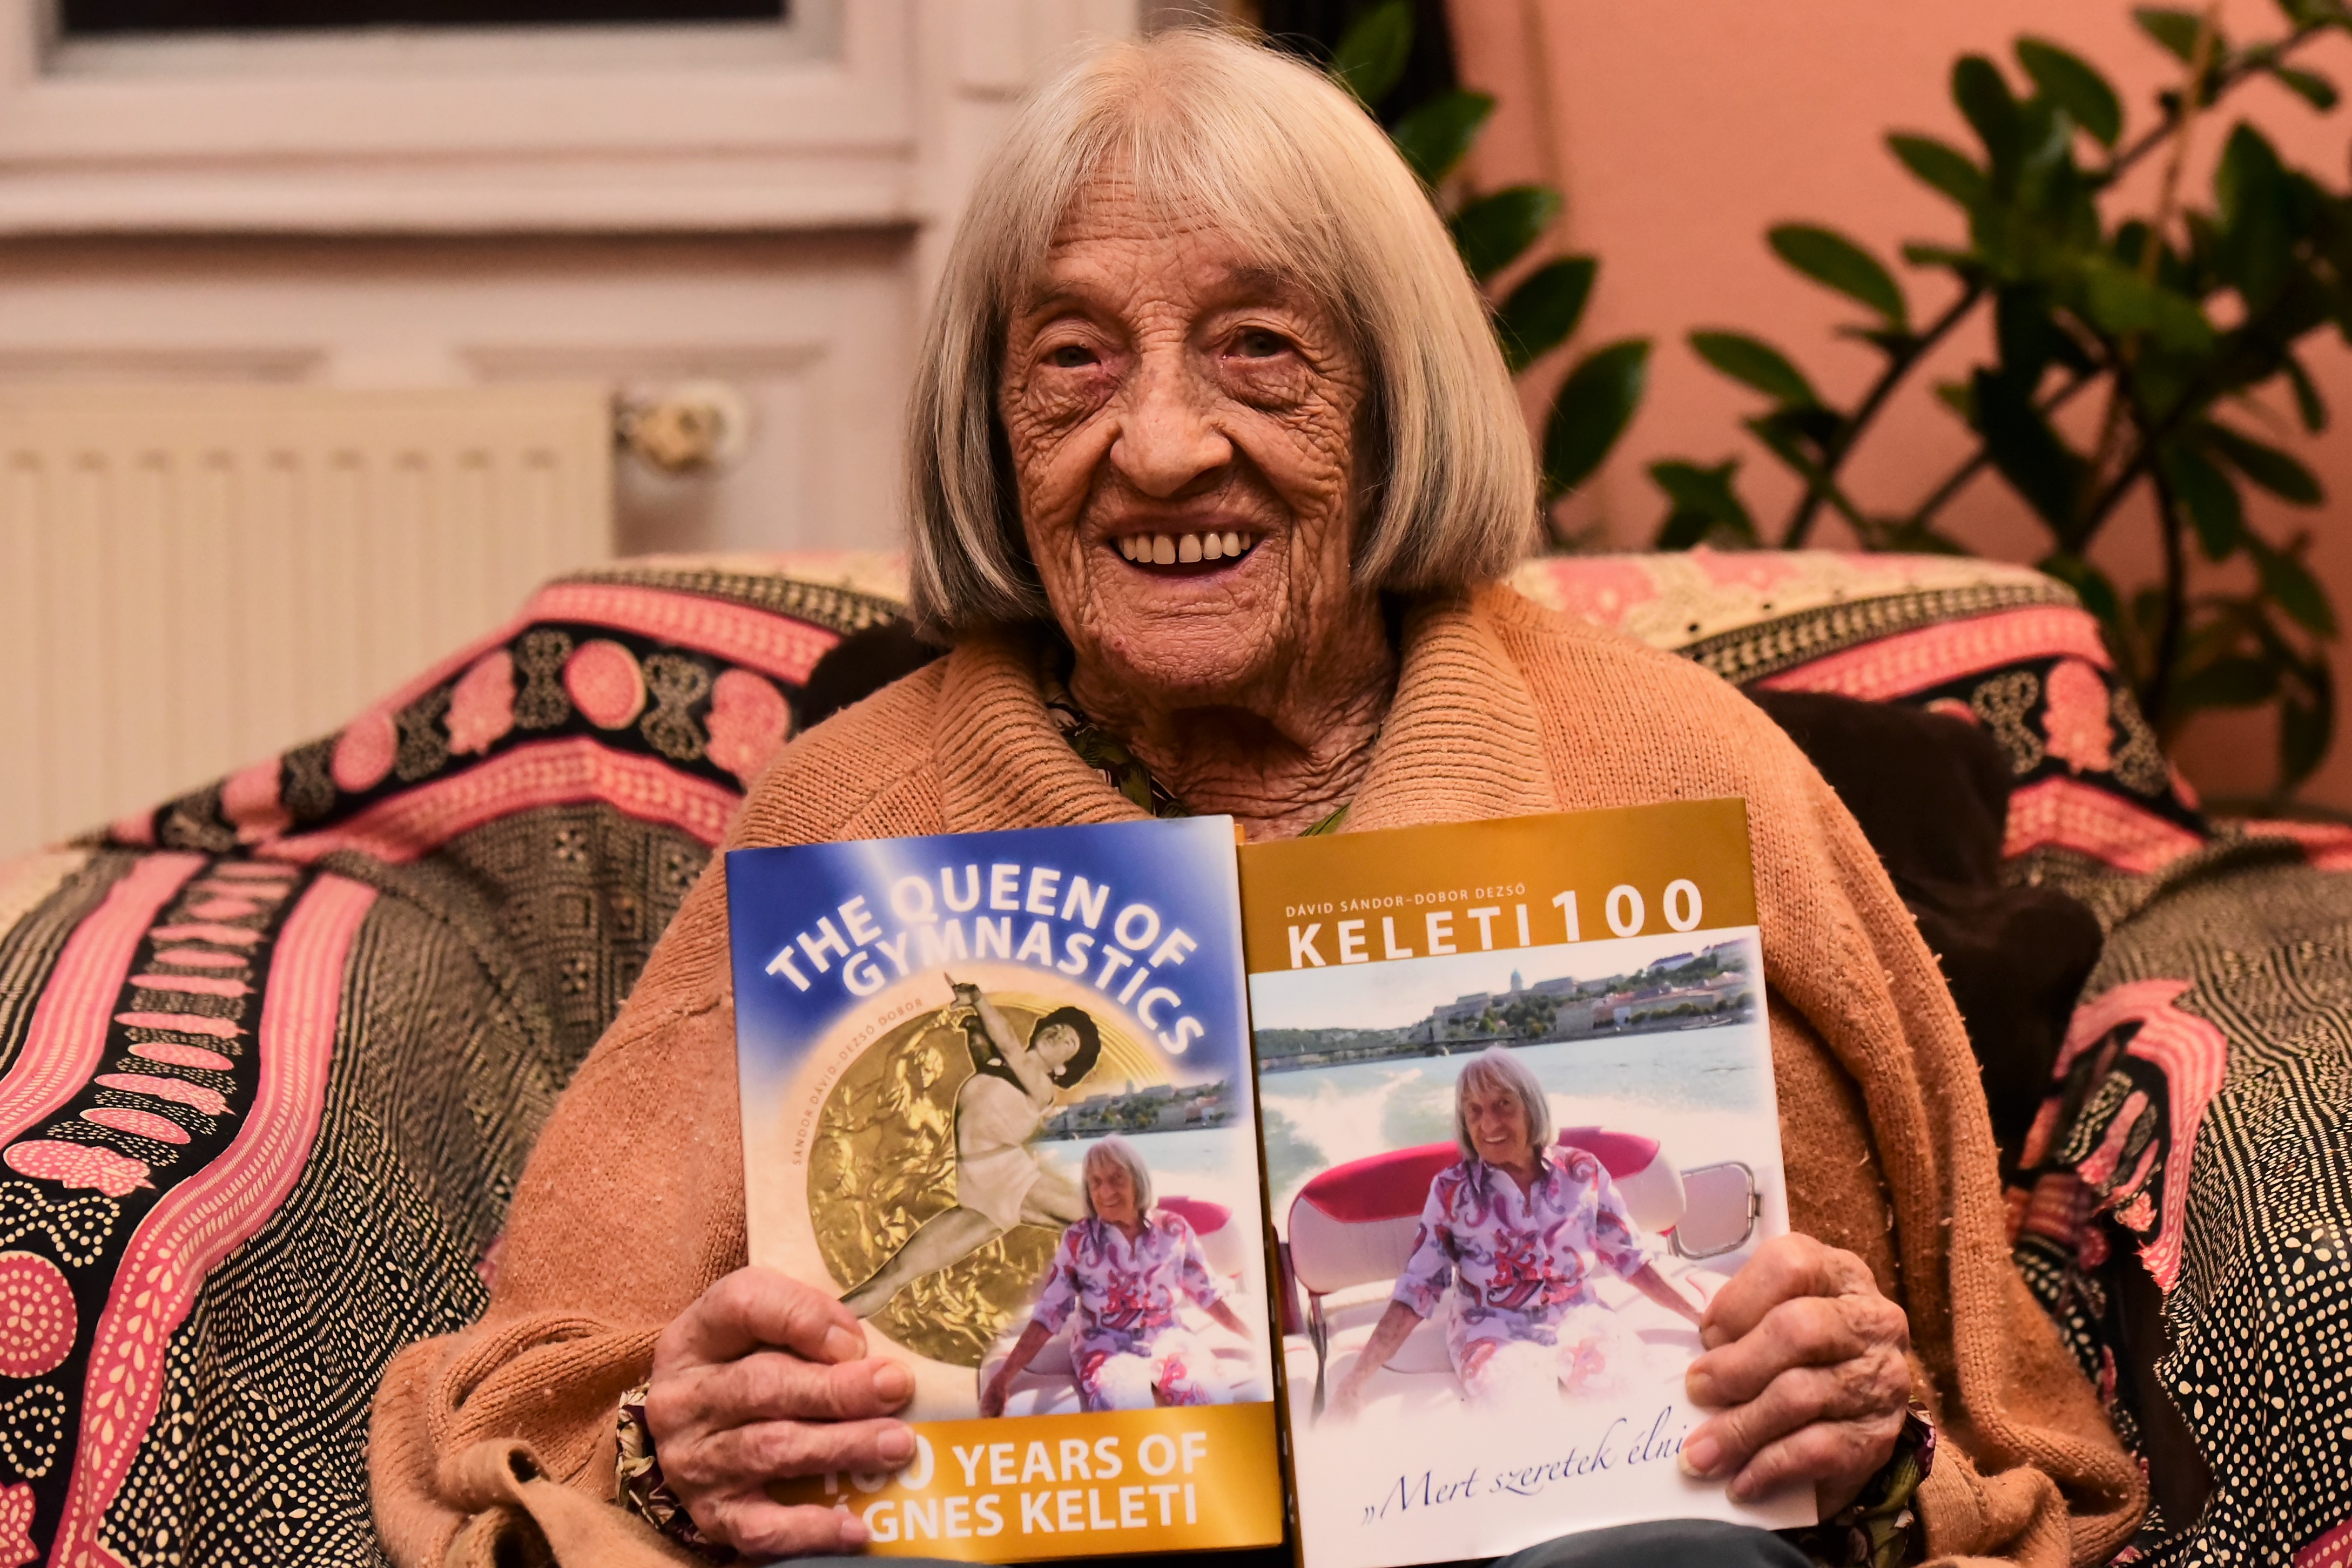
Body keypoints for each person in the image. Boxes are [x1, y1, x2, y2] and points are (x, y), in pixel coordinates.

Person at [370, 25, 2143, 1568]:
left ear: (1390, 397)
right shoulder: (850, 811)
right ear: (992, 422)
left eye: (1257, 350)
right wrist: (676, 1448)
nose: (1157, 447)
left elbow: (1973, 1390)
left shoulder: (1682, 764)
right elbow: (545, 1390)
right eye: (1072, 359)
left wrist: (1861, 1425)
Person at [1333, 1048, 1700, 1415]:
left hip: (1580, 1314)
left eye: (1503, 1104)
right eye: (1474, 1111)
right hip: (1490, 1326)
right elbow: (1419, 1286)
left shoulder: (1582, 1172)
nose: (1489, 1125)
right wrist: (1356, 1380)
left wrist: (1702, 1319)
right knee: (1524, 1418)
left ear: (1531, 1107)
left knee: (1638, 1402)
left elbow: (1631, 1258)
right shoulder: (1452, 1191)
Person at [840, 984, 1101, 1316]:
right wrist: (975, 1031)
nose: (1060, 1034)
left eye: (1069, 1042)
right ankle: (821, 1323)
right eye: (1059, 1027)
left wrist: (979, 1001)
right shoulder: (998, 1067)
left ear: (1064, 1068)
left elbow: (1008, 1045)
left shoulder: (1042, 1087)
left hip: (1009, 1177)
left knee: (1104, 1219)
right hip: (979, 1199)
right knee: (897, 1273)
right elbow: (990, 1059)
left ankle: (1141, 1285)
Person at [981, 1135, 1251, 1414]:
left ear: (1138, 1181)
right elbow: (1050, 1313)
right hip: (1103, 1343)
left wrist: (1259, 1340)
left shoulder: (1174, 1229)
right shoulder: (1079, 1240)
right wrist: (1002, 1379)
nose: (1106, 1192)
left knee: (1209, 1400)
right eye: (1095, 1182)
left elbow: (1209, 1295)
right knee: (1127, 1410)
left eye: (1116, 1179)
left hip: (1168, 1336)